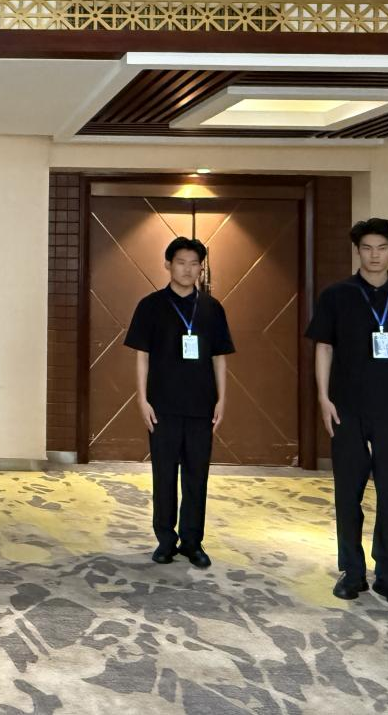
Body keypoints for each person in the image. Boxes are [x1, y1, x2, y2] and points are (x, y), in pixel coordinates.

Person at [306, 218, 388, 610]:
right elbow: (324, 347)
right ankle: (352, 572)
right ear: (357, 251)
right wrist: (323, 397)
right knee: (348, 492)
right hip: (346, 407)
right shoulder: (336, 295)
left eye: (381, 248)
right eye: (367, 248)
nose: (374, 255)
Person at [124, 237, 234, 568]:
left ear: (201, 268)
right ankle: (165, 539)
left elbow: (219, 358)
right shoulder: (150, 306)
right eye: (181, 262)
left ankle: (192, 541)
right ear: (168, 265)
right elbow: (142, 356)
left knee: (197, 476)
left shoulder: (212, 308)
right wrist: (142, 399)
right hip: (162, 406)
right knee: (165, 475)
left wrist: (222, 399)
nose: (188, 269)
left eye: (194, 263)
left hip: (202, 406)